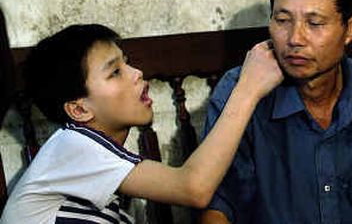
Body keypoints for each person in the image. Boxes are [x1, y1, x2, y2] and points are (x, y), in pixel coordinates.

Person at [0, 24, 282, 224]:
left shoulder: (96, 174)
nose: (137, 73)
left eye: (128, 63)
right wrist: (247, 89)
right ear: (79, 109)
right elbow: (193, 187)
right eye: (115, 72)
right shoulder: (72, 145)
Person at [201, 0, 352, 224]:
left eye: (315, 23)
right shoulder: (240, 91)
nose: (295, 38)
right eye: (282, 21)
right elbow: (217, 206)